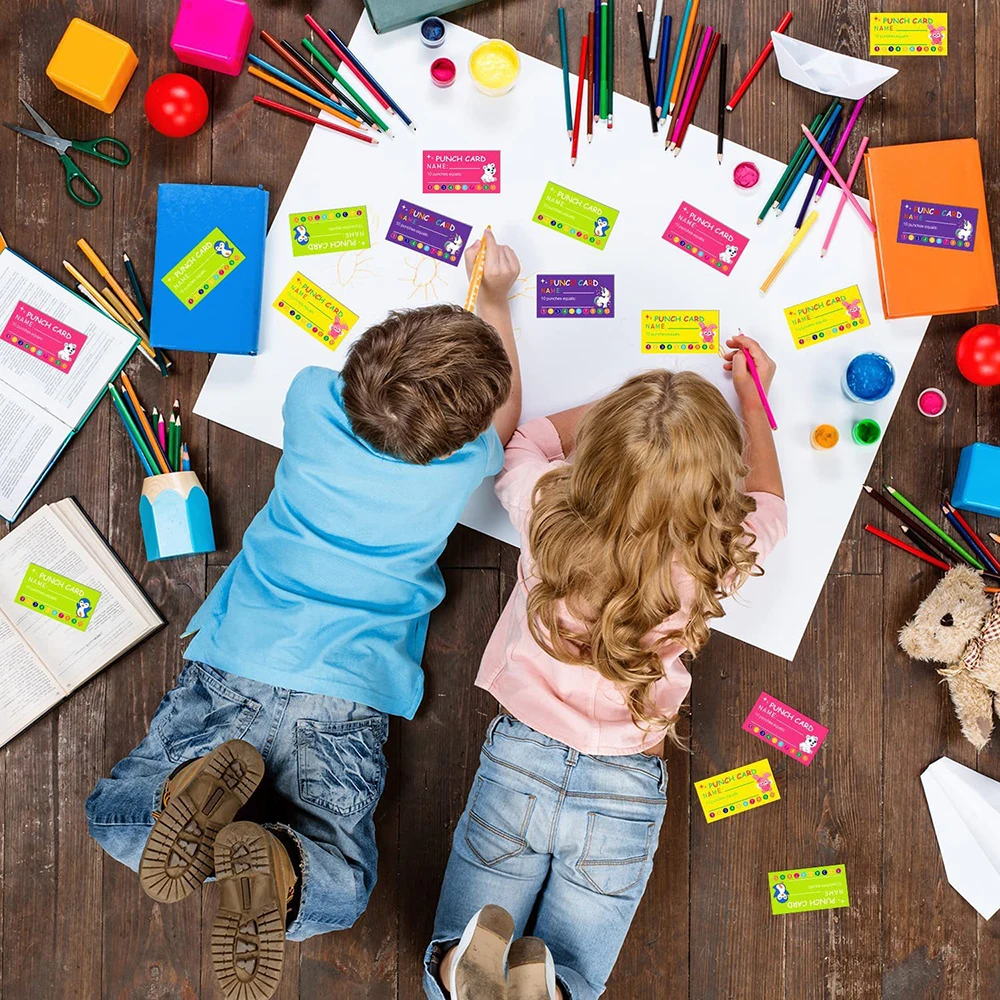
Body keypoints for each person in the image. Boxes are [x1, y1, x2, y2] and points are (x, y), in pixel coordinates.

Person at [86, 232, 522, 1000]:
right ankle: (271, 857)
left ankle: (207, 808)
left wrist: (460, 318)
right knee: (332, 884)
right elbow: (507, 420)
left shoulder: (312, 399)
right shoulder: (468, 463)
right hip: (346, 693)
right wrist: (493, 301)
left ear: (356, 372)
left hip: (240, 659)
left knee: (120, 820)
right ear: (457, 442)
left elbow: (409, 390)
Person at [424, 335, 787, 1000]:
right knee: (575, 971)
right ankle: (504, 984)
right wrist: (750, 395)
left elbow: (526, 441)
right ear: (713, 490)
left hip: (521, 762)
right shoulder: (717, 554)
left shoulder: (548, 516)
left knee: (475, 934)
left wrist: (629, 415)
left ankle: (462, 967)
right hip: (623, 785)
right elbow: (771, 502)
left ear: (598, 456)